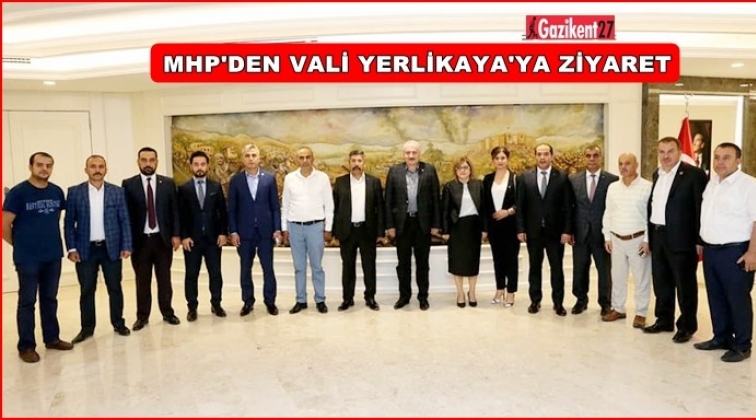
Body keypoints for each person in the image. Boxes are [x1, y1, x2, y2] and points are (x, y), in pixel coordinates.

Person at [2, 152, 73, 363]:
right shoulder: (18, 193)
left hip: (52, 255)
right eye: (40, 165)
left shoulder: (56, 191)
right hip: (28, 258)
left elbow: (55, 218)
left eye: (48, 165)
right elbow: (4, 225)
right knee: (27, 301)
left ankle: (52, 338)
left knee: (50, 298)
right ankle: (26, 346)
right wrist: (20, 244)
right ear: (31, 166)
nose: (44, 169)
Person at [696, 143, 756, 362]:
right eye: (717, 157)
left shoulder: (749, 185)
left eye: (726, 157)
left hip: (736, 251)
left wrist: (753, 253)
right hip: (711, 250)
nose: (720, 162)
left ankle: (742, 345)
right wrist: (702, 241)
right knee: (716, 297)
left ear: (738, 160)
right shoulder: (712, 183)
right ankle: (721, 337)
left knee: (737, 299)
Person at [64, 155, 133, 344]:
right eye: (93, 166)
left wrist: (127, 245)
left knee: (115, 288)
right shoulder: (75, 192)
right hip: (85, 249)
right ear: (86, 169)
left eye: (101, 166)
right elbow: (69, 223)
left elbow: (124, 220)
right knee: (87, 289)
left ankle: (118, 323)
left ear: (106, 169)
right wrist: (71, 248)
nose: (97, 170)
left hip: (111, 248)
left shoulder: (117, 192)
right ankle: (87, 328)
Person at [644, 137, 707, 343]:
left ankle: (687, 326)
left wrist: (699, 240)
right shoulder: (657, 174)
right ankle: (664, 319)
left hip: (682, 239)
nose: (666, 156)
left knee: (684, 284)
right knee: (661, 282)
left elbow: (700, 208)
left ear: (679, 152)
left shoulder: (694, 175)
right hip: (658, 236)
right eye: (661, 152)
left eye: (670, 151)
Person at [122, 147, 182, 330]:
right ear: (138, 162)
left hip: (162, 240)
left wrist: (176, 234)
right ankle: (142, 317)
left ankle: (168, 313)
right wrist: (127, 242)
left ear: (156, 162)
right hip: (140, 242)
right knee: (142, 281)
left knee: (165, 280)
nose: (147, 164)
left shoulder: (168, 183)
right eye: (144, 160)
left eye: (151, 160)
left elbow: (175, 211)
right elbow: (125, 215)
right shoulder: (128, 184)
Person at [516, 143, 574, 316]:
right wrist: (520, 229)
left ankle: (558, 303)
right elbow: (520, 206)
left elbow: (568, 207)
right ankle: (535, 301)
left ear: (551, 156)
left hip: (555, 233)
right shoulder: (525, 177)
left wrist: (567, 231)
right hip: (533, 232)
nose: (542, 157)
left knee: (557, 269)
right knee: (534, 268)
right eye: (539, 154)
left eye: (546, 154)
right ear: (535, 156)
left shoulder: (562, 177)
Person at [384, 140, 441, 311]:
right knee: (403, 264)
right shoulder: (394, 171)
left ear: (419, 154)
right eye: (408, 153)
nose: (411, 156)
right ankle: (404, 296)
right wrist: (390, 226)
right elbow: (388, 201)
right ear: (404, 154)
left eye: (414, 152)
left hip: (422, 224)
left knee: (423, 264)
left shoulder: (429, 170)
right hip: (402, 225)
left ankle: (423, 297)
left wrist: (436, 225)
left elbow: (435, 199)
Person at [228, 144, 282, 316]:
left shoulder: (269, 179)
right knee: (245, 269)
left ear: (259, 158)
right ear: (243, 159)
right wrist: (233, 231)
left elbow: (275, 207)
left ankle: (270, 302)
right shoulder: (236, 181)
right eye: (247, 155)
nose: (251, 159)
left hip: (266, 233)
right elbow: (231, 209)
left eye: (254, 155)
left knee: (268, 269)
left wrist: (277, 229)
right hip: (244, 234)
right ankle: (248, 302)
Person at [601, 153, 653, 328]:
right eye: (621, 163)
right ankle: (618, 308)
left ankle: (641, 313)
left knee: (641, 279)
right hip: (616, 239)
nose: (624, 167)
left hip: (638, 240)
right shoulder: (613, 187)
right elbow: (608, 213)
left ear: (636, 165)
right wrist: (607, 236)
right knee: (617, 277)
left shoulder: (647, 187)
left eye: (628, 163)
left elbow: (650, 217)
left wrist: (647, 240)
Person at [281, 147, 334, 314]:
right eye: (301, 157)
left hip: (316, 227)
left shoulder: (322, 178)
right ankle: (301, 300)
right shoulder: (290, 178)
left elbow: (329, 205)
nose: (304, 160)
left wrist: (328, 228)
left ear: (313, 158)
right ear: (297, 160)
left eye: (307, 157)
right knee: (299, 267)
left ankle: (320, 300)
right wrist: (284, 228)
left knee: (317, 266)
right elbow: (285, 205)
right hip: (295, 227)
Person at [178, 151, 229, 321]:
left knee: (215, 274)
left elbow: (222, 212)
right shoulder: (184, 189)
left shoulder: (215, 187)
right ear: (191, 166)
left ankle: (216, 304)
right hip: (192, 241)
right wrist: (184, 236)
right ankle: (192, 307)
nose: (199, 168)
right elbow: (180, 215)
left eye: (202, 164)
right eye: (196, 164)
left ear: (207, 166)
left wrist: (223, 233)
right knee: (191, 275)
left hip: (213, 240)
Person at [332, 150, 385, 311]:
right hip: (347, 231)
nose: (356, 164)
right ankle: (347, 299)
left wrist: (380, 233)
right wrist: (334, 232)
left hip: (367, 230)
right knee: (348, 268)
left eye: (359, 161)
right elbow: (335, 208)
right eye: (353, 161)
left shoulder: (374, 182)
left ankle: (370, 297)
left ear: (364, 163)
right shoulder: (340, 182)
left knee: (369, 267)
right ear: (349, 163)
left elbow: (380, 209)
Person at [568, 145, 618, 316]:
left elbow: (614, 208)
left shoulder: (612, 180)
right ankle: (580, 300)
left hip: (602, 234)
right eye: (588, 155)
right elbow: (570, 207)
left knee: (604, 271)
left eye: (595, 155)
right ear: (584, 157)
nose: (591, 158)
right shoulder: (573, 179)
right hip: (580, 234)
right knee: (579, 270)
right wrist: (569, 230)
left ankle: (605, 303)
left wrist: (611, 234)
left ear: (601, 157)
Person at [441, 157, 487, 308]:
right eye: (459, 168)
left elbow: (485, 209)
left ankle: (472, 292)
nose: (463, 170)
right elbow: (445, 211)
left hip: (474, 227)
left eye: (465, 167)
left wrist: (485, 229)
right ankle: (460, 293)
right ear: (455, 170)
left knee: (473, 263)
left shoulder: (479, 185)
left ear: (470, 169)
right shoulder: (449, 186)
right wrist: (445, 231)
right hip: (457, 228)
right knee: (457, 262)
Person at [482, 146, 520, 307]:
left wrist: (508, 212)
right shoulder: (487, 179)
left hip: (511, 226)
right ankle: (500, 289)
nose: (500, 161)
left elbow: (521, 203)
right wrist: (485, 228)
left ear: (508, 159)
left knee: (511, 260)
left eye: (503, 158)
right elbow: (485, 206)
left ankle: (511, 292)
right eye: (497, 158)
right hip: (494, 227)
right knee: (498, 260)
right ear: (493, 160)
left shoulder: (516, 179)